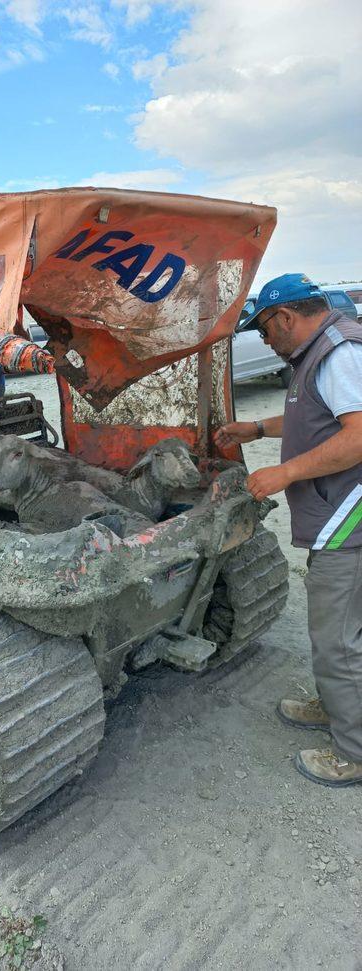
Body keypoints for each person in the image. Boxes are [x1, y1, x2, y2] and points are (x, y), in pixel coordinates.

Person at [215, 273, 362, 787]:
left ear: (285, 318)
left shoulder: (340, 353)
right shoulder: (319, 353)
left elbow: (358, 437)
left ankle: (354, 753)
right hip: (339, 512)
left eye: (264, 331)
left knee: (336, 637)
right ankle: (338, 707)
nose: (265, 341)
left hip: (349, 516)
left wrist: (285, 473)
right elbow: (312, 417)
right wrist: (256, 429)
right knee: (346, 629)